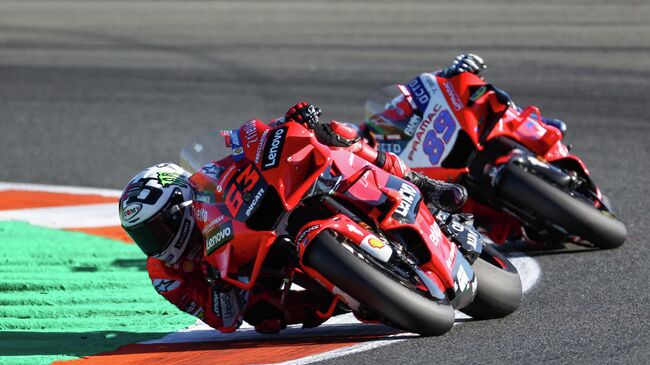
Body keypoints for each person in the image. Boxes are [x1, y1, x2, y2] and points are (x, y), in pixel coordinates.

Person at [119, 103, 468, 334]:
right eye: (144, 236)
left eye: (157, 229)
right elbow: (222, 320)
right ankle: (353, 294)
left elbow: (245, 141)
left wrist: (291, 123)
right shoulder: (165, 275)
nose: (156, 244)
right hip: (254, 270)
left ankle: (423, 184)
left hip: (274, 208)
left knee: (335, 135)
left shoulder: (208, 179)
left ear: (181, 204)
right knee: (264, 317)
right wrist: (223, 288)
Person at [364, 53, 567, 141]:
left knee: (487, 101)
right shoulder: (381, 128)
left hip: (468, 128)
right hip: (435, 165)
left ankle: (525, 121)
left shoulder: (423, 86)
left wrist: (457, 72)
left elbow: (442, 82)